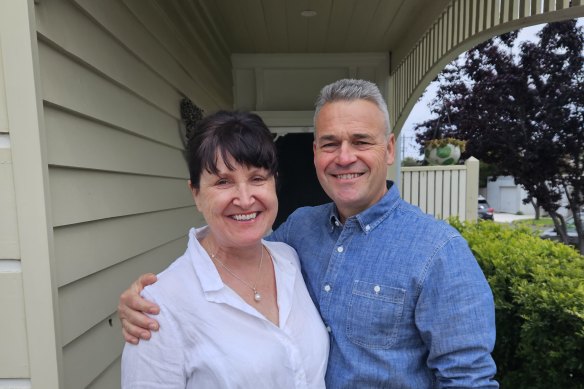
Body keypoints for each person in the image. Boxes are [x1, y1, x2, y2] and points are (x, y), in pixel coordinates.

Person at [119, 79, 499, 388]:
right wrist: (149, 298)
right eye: (330, 143)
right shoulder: (298, 233)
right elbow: (233, 248)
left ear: (389, 149)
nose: (344, 157)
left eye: (361, 141)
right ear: (315, 152)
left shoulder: (439, 251)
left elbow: (468, 380)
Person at [121, 111, 329, 388]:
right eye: (223, 181)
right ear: (195, 193)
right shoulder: (161, 306)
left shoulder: (289, 258)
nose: (244, 199)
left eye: (257, 178)